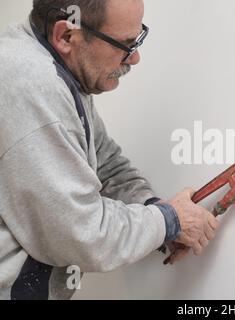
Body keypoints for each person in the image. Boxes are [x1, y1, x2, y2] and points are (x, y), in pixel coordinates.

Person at [0, 0, 219, 300]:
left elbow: (106, 164)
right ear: (67, 36)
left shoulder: (57, 70)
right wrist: (168, 221)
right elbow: (81, 232)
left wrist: (156, 210)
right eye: (126, 44)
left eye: (138, 39)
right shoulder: (32, 85)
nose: (136, 57)